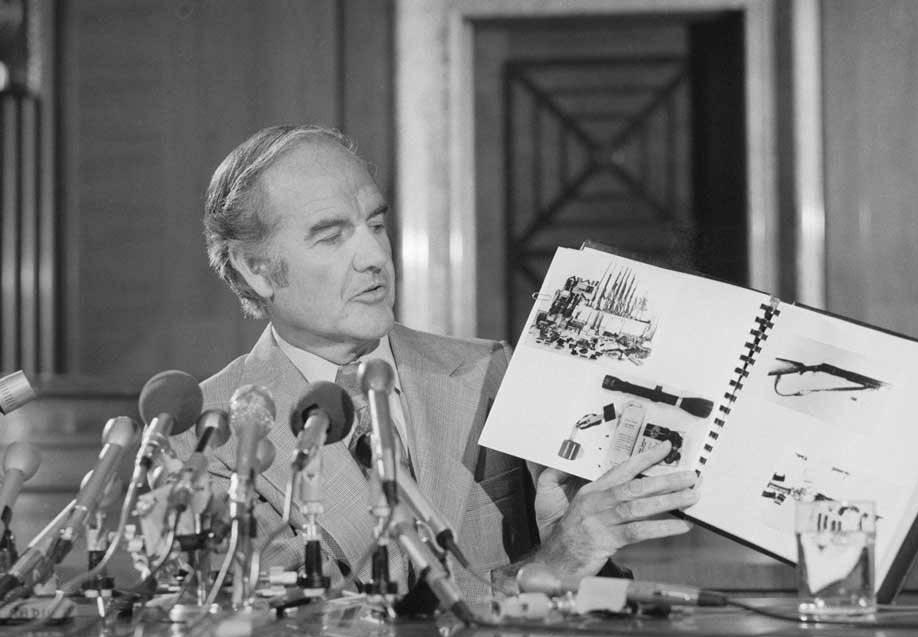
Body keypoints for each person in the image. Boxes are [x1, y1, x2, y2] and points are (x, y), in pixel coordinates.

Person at [181, 125, 699, 601]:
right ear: (256, 270)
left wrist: (573, 536)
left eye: (376, 224)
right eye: (331, 236)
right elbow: (312, 618)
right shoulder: (208, 434)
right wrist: (553, 560)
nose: (374, 256)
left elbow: (581, 596)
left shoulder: (487, 370)